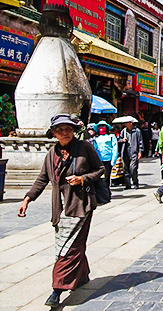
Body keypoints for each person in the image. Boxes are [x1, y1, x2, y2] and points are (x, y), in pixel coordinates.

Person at [17, 114, 104, 308]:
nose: (64, 132)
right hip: (60, 208)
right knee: (72, 245)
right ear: (54, 133)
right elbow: (42, 179)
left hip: (81, 205)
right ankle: (81, 277)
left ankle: (57, 289)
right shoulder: (52, 153)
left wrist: (82, 179)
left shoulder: (84, 148)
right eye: (60, 129)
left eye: (68, 128)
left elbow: (99, 170)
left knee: (67, 249)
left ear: (73, 130)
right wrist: (27, 199)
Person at [92, 120, 118, 199]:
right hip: (99, 160)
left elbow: (115, 148)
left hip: (108, 159)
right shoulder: (96, 138)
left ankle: (107, 193)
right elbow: (95, 149)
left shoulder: (111, 137)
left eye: (103, 126)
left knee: (107, 178)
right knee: (99, 177)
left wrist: (113, 160)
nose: (101, 128)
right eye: (100, 126)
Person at [118, 118, 143, 190]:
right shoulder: (123, 131)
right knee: (125, 169)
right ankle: (127, 184)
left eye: (127, 123)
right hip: (125, 152)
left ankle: (135, 183)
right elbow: (118, 139)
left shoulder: (137, 131)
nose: (125, 124)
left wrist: (140, 152)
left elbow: (140, 141)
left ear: (131, 123)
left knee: (133, 168)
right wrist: (122, 140)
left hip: (134, 152)